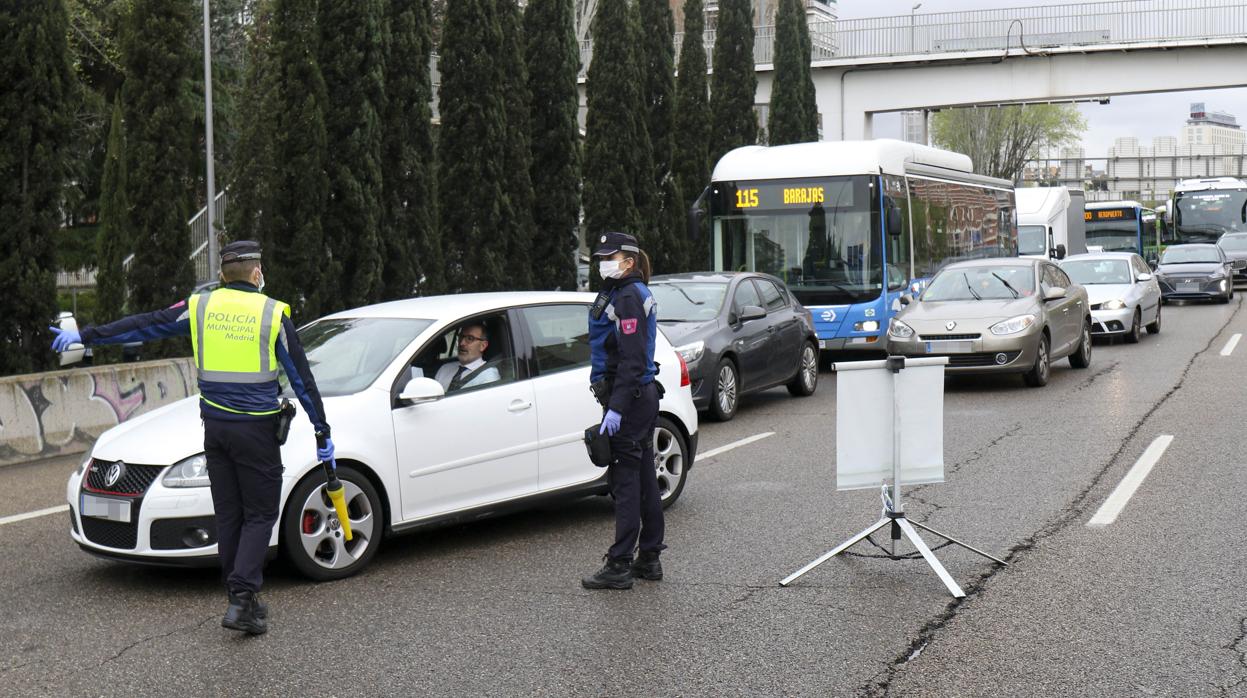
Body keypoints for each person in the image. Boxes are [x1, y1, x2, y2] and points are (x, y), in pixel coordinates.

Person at [49, 241, 331, 635]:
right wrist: (322, 429)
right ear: (256, 273)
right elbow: (301, 379)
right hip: (256, 433)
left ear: (222, 275)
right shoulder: (272, 314)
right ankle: (242, 598)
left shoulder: (200, 307)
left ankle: (239, 597)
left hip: (215, 431)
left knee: (230, 514)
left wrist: (87, 335)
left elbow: (145, 324)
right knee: (262, 513)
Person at [581, 231, 665, 590]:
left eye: (609, 257)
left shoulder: (629, 296)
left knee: (626, 483)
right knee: (644, 477)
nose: (603, 263)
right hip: (635, 396)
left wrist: (615, 409)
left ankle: (619, 564)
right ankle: (649, 557)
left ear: (628, 261)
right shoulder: (620, 292)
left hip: (628, 397)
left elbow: (632, 360)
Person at [433, 323, 501, 392]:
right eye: (461, 336)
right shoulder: (444, 369)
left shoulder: (489, 376)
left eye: (470, 338)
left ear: (483, 346)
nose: (462, 343)